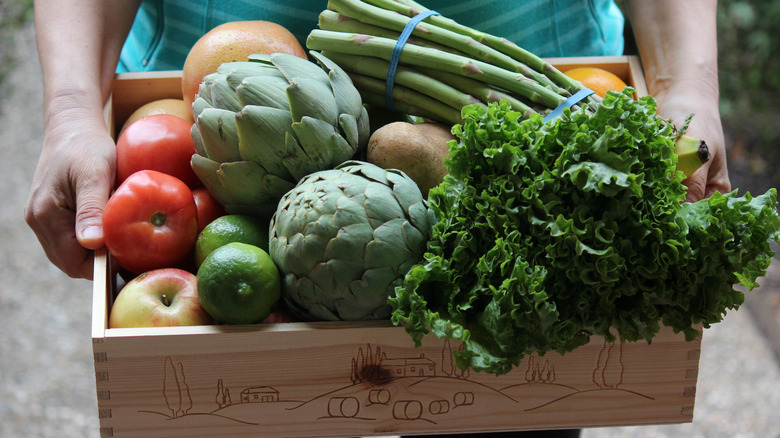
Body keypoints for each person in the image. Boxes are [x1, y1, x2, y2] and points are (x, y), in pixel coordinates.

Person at [24, 1, 727, 437]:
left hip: (550, 73)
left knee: (515, 406)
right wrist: (70, 112)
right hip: (202, 87)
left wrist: (686, 84)